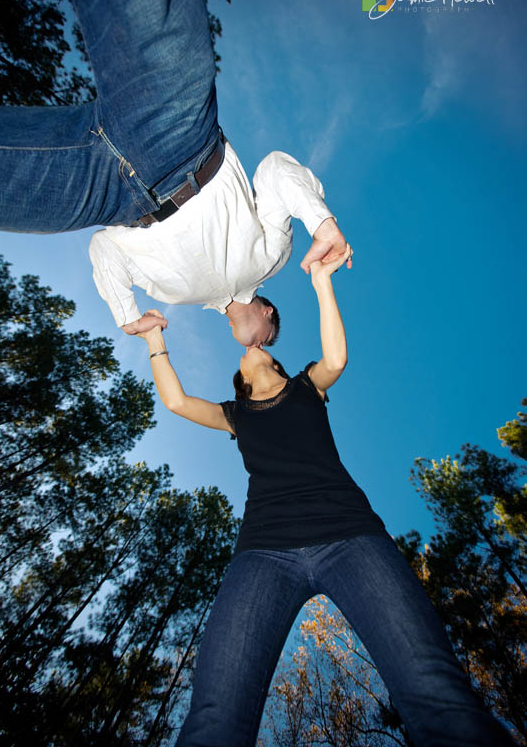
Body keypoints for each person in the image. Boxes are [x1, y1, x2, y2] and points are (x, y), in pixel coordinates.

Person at [138, 246, 514, 747]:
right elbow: (177, 401)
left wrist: (321, 281)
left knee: (436, 693)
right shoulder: (236, 415)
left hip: (352, 538)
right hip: (263, 553)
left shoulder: (307, 387)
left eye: (263, 347)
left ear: (273, 357)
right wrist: (153, 336)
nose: (250, 351)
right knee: (215, 718)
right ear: (241, 379)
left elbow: (336, 356)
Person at [0, 0, 351, 346]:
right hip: (177, 139)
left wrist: (127, 316)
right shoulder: (270, 260)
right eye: (270, 339)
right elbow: (274, 171)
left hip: (107, 193)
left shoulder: (176, 297)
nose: (263, 348)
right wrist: (320, 221)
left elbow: (105, 248)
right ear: (268, 312)